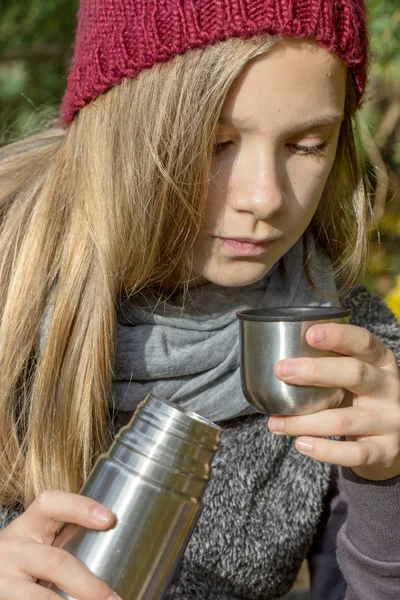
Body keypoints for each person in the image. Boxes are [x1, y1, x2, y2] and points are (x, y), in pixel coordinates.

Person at [0, 0, 399, 599]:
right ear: (124, 130)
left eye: (307, 144)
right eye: (216, 143)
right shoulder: (13, 298)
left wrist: (388, 486)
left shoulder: (350, 354)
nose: (265, 198)